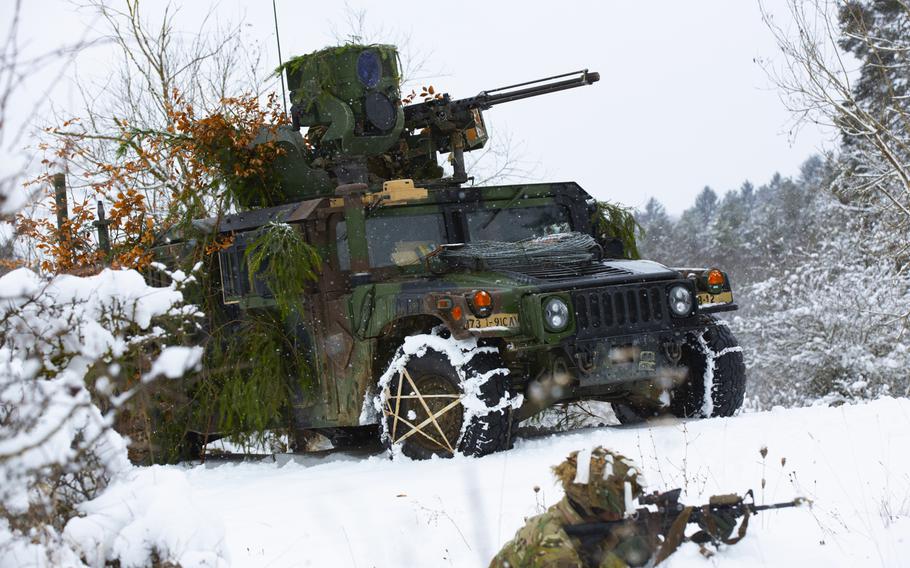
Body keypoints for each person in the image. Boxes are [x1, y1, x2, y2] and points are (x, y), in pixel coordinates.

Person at [490, 446, 653, 568]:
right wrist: (618, 561)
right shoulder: (555, 544)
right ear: (587, 506)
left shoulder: (567, 514)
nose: (619, 516)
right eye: (611, 510)